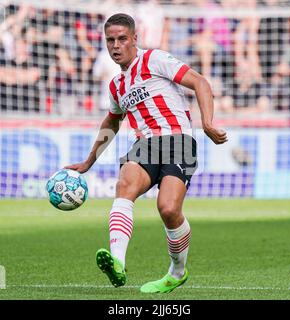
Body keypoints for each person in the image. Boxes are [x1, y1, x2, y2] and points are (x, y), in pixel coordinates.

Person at [65, 13, 227, 293]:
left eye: (121, 39)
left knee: (168, 209)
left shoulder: (155, 59)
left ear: (134, 39)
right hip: (146, 145)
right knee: (124, 185)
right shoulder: (116, 86)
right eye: (110, 40)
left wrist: (208, 123)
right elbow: (112, 121)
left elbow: (200, 82)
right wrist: (89, 161)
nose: (115, 45)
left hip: (179, 140)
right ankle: (117, 261)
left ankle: (177, 272)